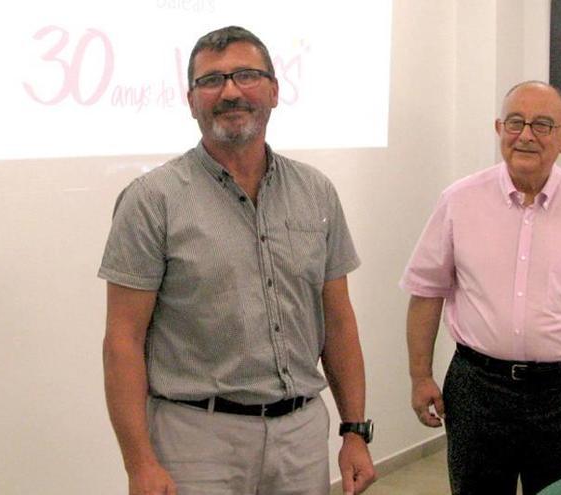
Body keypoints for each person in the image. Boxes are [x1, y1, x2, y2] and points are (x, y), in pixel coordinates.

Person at [99, 26, 375, 495]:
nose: (229, 91)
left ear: (273, 90)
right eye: (211, 81)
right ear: (191, 101)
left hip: (301, 435)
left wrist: (355, 430)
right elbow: (123, 340)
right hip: (196, 440)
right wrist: (139, 462)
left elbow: (338, 320)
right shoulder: (152, 200)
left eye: (246, 75)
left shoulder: (316, 192)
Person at [401, 81, 561, 495]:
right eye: (516, 122)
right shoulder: (459, 201)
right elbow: (426, 293)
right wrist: (419, 376)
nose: (526, 135)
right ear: (499, 128)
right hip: (477, 391)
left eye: (541, 125)